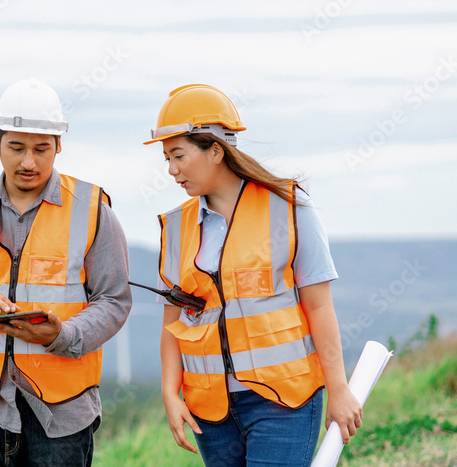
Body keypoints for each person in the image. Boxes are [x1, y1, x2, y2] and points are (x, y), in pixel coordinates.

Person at [143, 84, 364, 467]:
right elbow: (172, 322)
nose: (171, 170)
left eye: (178, 155)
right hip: (210, 409)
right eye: (166, 158)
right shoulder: (177, 227)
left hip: (283, 400)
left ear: (215, 149)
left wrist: (339, 387)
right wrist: (169, 392)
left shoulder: (289, 207)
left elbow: (319, 304)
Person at [0, 78, 131, 467]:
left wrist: (65, 335)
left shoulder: (92, 210)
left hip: (62, 410)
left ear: (58, 145)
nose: (28, 162)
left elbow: (114, 300)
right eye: (16, 148)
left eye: (41, 149)